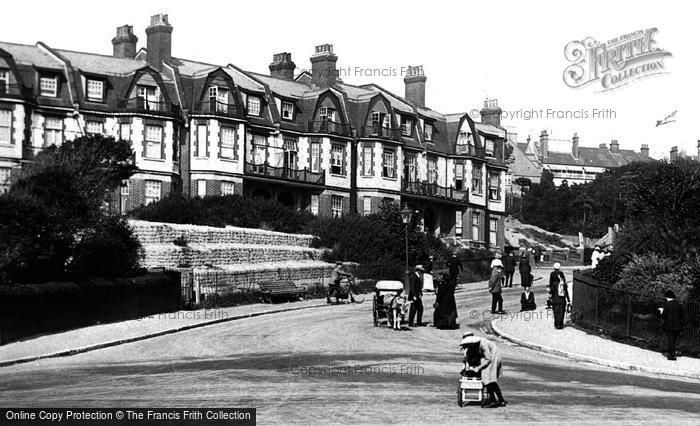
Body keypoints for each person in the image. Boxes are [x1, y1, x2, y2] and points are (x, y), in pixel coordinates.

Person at [460, 334, 506, 408]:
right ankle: (501, 400)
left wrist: (478, 368)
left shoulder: (483, 344)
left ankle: (493, 401)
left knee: (486, 377)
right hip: (489, 356)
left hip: (493, 355)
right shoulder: (476, 345)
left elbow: (488, 359)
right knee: (491, 379)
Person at [659, 290, 685, 360]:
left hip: (669, 325)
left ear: (667, 297)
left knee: (670, 340)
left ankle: (672, 355)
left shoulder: (667, 304)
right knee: (674, 340)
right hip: (678, 325)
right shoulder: (679, 305)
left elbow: (663, 316)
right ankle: (673, 351)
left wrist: (661, 311)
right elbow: (682, 316)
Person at [548, 263, 570, 329]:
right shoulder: (563, 283)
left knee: (556, 311)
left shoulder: (552, 275)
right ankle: (560, 324)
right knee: (562, 311)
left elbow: (550, 284)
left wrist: (551, 294)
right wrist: (568, 300)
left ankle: (557, 323)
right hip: (562, 299)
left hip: (555, 297)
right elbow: (566, 291)